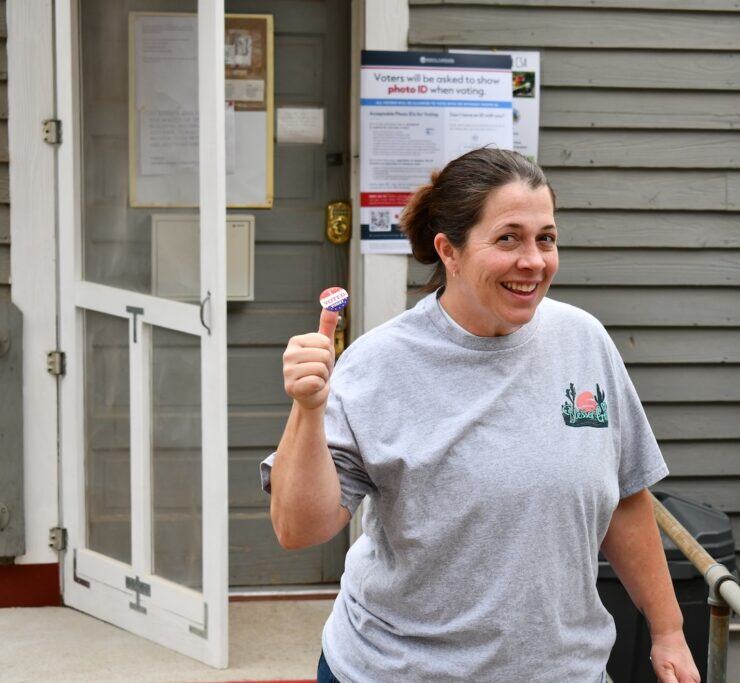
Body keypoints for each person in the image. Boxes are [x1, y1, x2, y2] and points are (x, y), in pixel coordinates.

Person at [260, 148, 701, 683]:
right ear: (449, 250)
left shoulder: (584, 341)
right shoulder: (380, 367)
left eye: (547, 238)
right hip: (399, 671)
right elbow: (299, 528)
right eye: (509, 238)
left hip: (564, 671)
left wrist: (668, 628)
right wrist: (308, 411)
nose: (534, 261)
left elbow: (626, 498)